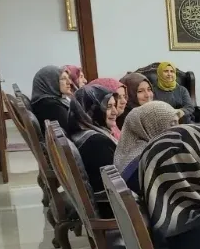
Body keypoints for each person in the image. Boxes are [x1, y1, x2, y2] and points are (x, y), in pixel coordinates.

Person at [63, 86, 118, 215]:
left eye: (114, 106)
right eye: (108, 107)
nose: (115, 112)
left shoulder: (80, 132)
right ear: (91, 110)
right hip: (112, 209)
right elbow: (113, 186)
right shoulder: (97, 143)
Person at [113, 101, 179, 195]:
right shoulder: (149, 159)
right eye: (172, 124)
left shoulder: (133, 152)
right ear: (153, 126)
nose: (178, 128)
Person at [30, 65, 74, 133]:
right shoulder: (51, 106)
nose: (69, 82)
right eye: (63, 79)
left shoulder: (45, 102)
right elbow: (72, 130)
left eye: (68, 78)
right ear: (50, 82)